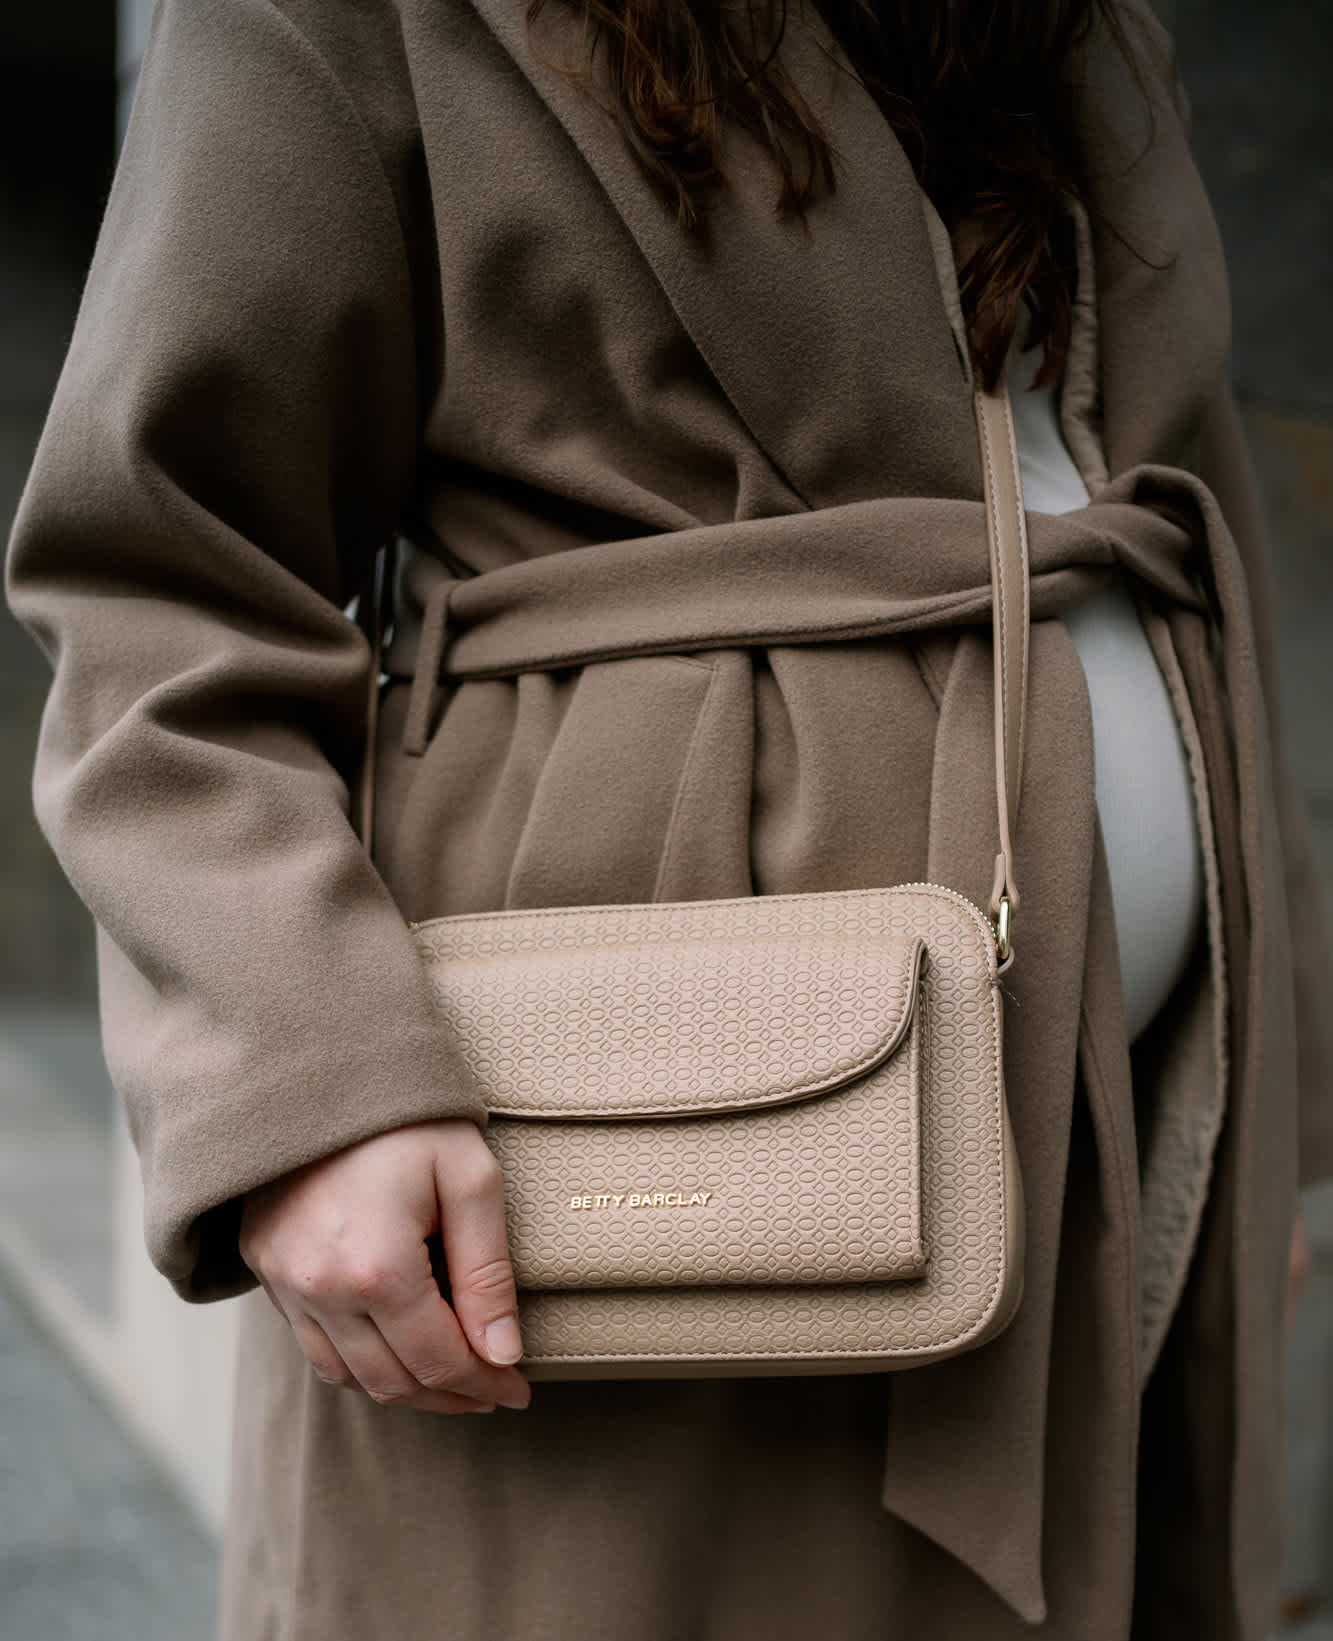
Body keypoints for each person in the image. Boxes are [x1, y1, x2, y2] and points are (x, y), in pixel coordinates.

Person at [7, 0, 1331, 1636]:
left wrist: (1253, 1107)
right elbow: (161, 571)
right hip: (612, 1193)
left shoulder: (1086, 34)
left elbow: (1191, 558)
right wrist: (299, 1070)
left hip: (1099, 1156)